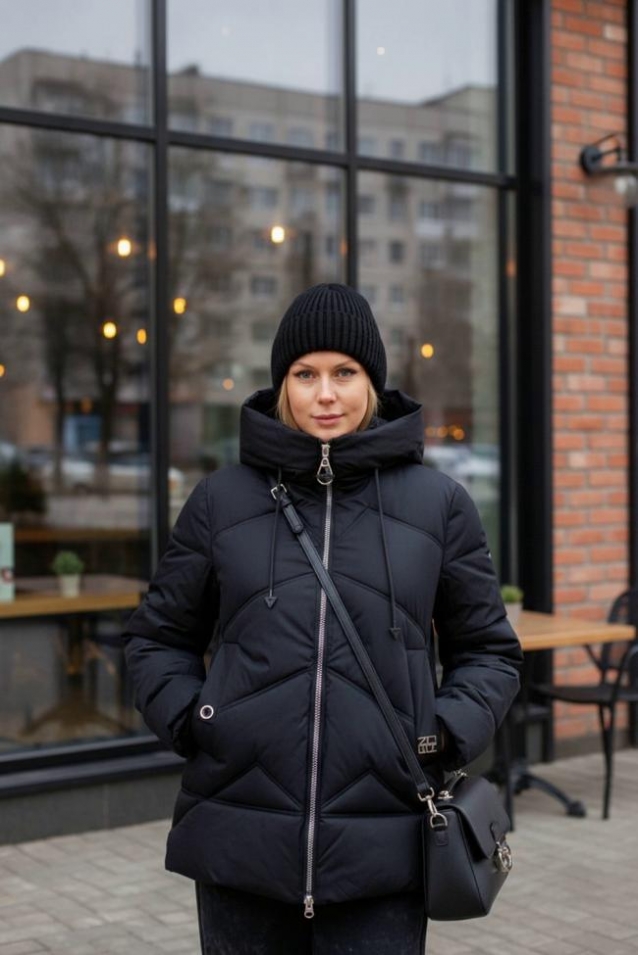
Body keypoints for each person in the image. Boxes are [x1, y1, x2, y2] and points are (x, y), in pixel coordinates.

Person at [123, 283, 522, 954]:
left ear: (373, 383)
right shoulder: (221, 500)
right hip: (240, 839)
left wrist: (442, 734)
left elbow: (489, 651)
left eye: (345, 372)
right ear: (283, 384)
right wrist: (198, 721)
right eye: (305, 374)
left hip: (385, 850)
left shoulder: (439, 505)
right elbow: (157, 638)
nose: (326, 394)